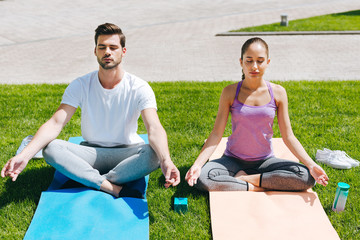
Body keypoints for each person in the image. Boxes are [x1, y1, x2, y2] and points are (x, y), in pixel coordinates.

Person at [1, 23, 180, 198]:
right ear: (95, 51)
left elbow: (154, 128)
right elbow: (55, 123)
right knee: (51, 148)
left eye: (113, 47)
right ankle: (110, 187)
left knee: (154, 155)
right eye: (102, 47)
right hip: (90, 153)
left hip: (127, 154)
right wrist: (24, 156)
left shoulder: (139, 87)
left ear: (123, 51)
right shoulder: (80, 84)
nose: (107, 52)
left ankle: (88, 179)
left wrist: (166, 161)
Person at [185, 37, 328, 192]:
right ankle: (258, 186)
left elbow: (288, 136)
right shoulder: (230, 92)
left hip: (265, 162)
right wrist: (197, 165)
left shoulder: (278, 92)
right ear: (241, 62)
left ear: (268, 62)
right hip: (233, 160)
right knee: (203, 177)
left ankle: (245, 180)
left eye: (260, 61)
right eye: (249, 60)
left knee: (306, 176)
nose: (254, 66)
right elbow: (216, 134)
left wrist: (311, 165)